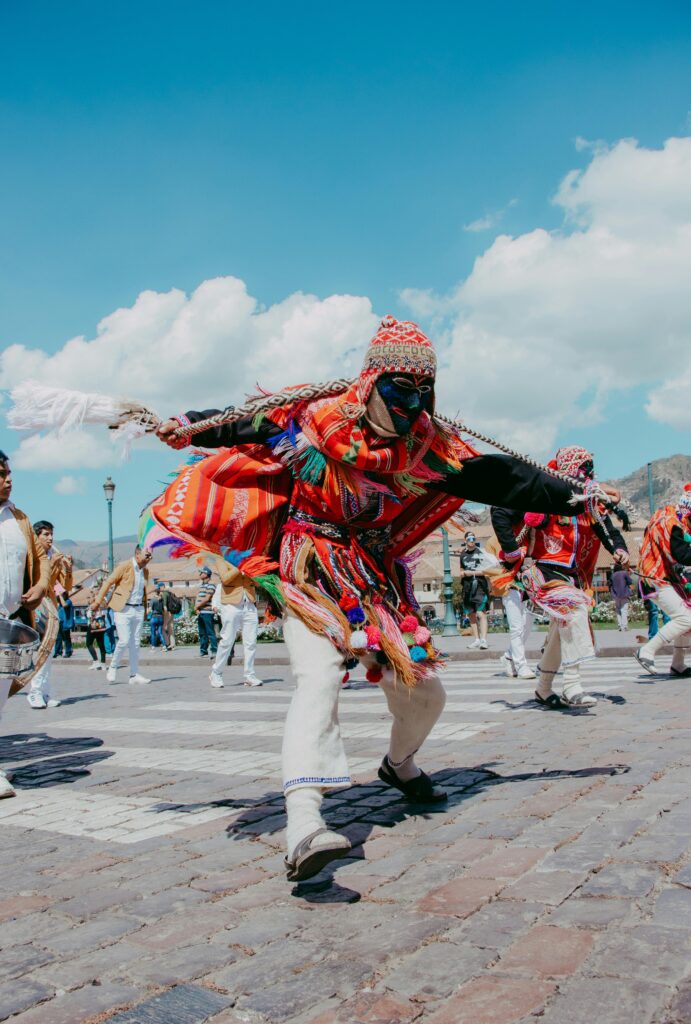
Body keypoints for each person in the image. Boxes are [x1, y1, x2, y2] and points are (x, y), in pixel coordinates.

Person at [154, 316, 621, 881]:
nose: (412, 404)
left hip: (374, 581)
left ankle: (399, 767)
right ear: (372, 380)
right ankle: (304, 825)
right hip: (309, 568)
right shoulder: (313, 418)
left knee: (426, 696)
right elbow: (239, 423)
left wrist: (579, 496)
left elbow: (504, 479)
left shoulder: (427, 448)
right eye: (401, 389)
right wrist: (181, 425)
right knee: (319, 678)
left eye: (425, 392)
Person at [492, 446, 629, 710]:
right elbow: (500, 511)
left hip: (573, 576)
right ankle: (572, 686)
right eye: (583, 470)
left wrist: (619, 550)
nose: (588, 476)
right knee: (575, 609)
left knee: (559, 629)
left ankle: (543, 689)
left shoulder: (589, 503)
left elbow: (607, 530)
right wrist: (511, 550)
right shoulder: (542, 493)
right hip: (542, 570)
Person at [0, 451, 50, 795]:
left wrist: (42, 584)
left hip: (8, 623)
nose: (8, 479)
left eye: (8, 473)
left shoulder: (19, 518)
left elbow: (43, 557)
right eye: (1, 474)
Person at [635, 484, 691, 678]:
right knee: (686, 618)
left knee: (688, 617)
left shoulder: (671, 518)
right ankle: (647, 651)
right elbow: (683, 554)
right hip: (655, 577)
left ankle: (678, 664)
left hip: (660, 576)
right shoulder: (671, 524)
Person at [27, 521, 73, 709]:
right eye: (45, 534)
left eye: (51, 534)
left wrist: (68, 569)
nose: (50, 538)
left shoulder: (51, 557)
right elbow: (40, 582)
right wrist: (52, 564)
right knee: (40, 651)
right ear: (36, 537)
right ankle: (34, 692)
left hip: (51, 607)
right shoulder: (33, 558)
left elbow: (65, 587)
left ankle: (44, 692)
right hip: (37, 608)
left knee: (49, 652)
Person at [92, 545, 152, 685]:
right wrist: (97, 601)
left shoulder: (146, 571)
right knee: (124, 640)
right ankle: (113, 666)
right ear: (137, 554)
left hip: (138, 609)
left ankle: (134, 674)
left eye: (150, 555)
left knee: (135, 643)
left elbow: (143, 590)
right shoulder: (124, 566)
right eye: (146, 555)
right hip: (123, 608)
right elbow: (108, 582)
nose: (149, 558)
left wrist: (145, 607)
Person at [487, 516, 535, 679]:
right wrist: (505, 571)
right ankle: (521, 665)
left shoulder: (526, 533)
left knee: (527, 624)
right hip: (509, 586)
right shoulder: (493, 542)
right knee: (516, 626)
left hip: (528, 585)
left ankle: (508, 656)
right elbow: (488, 568)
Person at [209, 556, 263, 688]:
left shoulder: (250, 557)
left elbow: (258, 583)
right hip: (231, 605)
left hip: (249, 604)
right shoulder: (222, 559)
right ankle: (216, 673)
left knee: (251, 643)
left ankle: (249, 675)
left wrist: (253, 572)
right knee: (227, 640)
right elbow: (225, 578)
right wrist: (240, 567)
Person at [459, 532, 493, 650]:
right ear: (465, 540)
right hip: (467, 587)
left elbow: (488, 570)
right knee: (471, 614)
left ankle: (484, 640)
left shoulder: (481, 553)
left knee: (480, 613)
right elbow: (461, 568)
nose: (471, 540)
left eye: (473, 538)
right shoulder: (462, 554)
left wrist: (472, 573)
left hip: (479, 586)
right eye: (469, 538)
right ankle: (476, 640)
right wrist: (462, 573)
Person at [195, 566, 218, 658]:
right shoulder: (202, 586)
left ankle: (214, 650)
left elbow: (207, 598)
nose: (200, 574)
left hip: (208, 612)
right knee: (202, 633)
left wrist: (197, 606)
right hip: (201, 612)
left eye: (201, 573)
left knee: (210, 632)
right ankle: (203, 651)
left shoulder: (211, 585)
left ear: (206, 574)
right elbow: (198, 597)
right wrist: (196, 608)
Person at [85, 589, 107, 669]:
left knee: (89, 643)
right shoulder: (103, 605)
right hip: (101, 627)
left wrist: (88, 610)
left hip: (93, 627)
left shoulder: (92, 606)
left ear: (94, 597)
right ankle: (103, 663)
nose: (88, 598)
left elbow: (89, 616)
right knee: (101, 644)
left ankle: (95, 661)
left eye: (90, 596)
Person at [609, 566, 632, 631]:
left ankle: (620, 625)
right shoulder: (624, 573)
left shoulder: (613, 575)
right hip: (624, 594)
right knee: (624, 610)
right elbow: (630, 581)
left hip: (615, 595)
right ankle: (624, 626)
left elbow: (610, 584)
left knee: (618, 610)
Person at [54, 593, 75, 657]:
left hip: (65, 623)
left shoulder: (68, 601)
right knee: (58, 638)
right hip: (60, 622)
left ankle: (68, 652)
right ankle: (58, 651)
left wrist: (60, 596)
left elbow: (64, 605)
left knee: (66, 638)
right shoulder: (60, 604)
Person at [160, 585, 177, 650]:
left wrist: (165, 613)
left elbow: (165, 606)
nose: (159, 589)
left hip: (168, 612)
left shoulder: (164, 594)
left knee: (163, 628)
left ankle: (167, 644)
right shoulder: (171, 593)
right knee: (170, 628)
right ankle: (172, 645)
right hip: (172, 612)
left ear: (163, 587)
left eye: (160, 587)